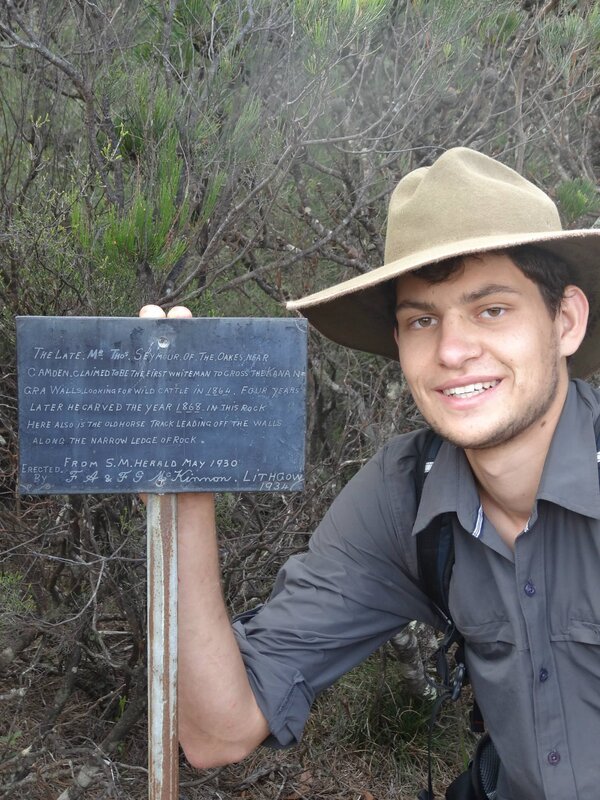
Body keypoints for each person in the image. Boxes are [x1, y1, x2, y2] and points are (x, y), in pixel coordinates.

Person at [140, 147, 600, 800]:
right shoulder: (406, 496)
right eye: (422, 319)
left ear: (565, 321)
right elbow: (217, 733)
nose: (453, 350)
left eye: (491, 309)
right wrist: (183, 490)